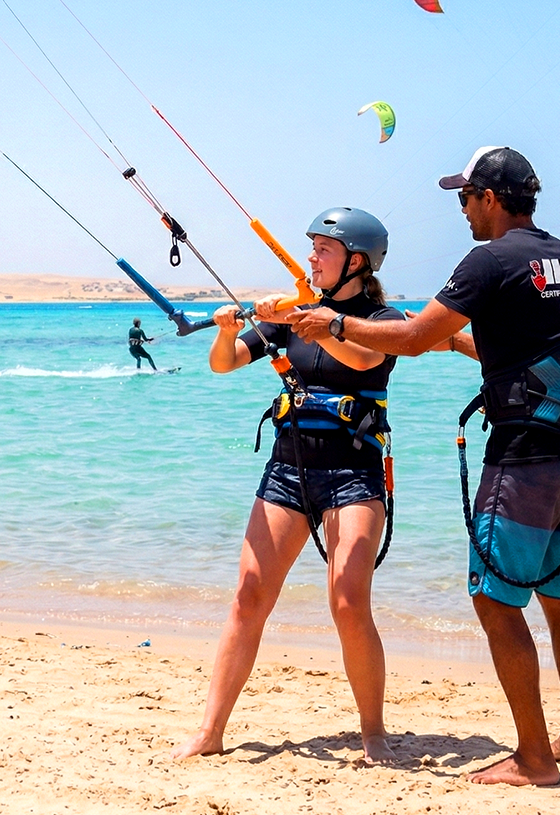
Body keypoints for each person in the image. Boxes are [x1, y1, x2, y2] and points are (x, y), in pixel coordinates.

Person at [289, 147, 560, 787]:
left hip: (524, 455)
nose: (461, 209)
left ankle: (536, 758)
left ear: (490, 197)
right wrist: (450, 339)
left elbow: (405, 338)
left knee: (494, 599)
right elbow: (516, 341)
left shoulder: (490, 257)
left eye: (465, 197)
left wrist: (333, 323)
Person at [172, 207, 404, 764]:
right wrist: (228, 332)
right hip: (288, 469)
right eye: (312, 249)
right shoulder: (295, 313)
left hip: (353, 472)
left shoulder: (381, 317)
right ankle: (210, 731)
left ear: (356, 261)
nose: (311, 258)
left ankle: (373, 731)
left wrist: (313, 319)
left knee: (348, 601)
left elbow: (364, 356)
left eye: (322, 249)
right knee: (249, 595)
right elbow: (223, 365)